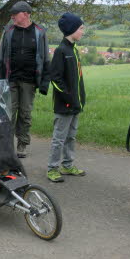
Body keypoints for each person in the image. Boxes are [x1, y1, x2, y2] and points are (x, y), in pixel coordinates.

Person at [0, 1, 50, 158]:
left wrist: (45, 83)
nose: (11, 16)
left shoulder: (40, 32)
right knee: (8, 112)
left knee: (25, 114)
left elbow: (46, 58)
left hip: (29, 81)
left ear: (26, 14)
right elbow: (0, 57)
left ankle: (22, 144)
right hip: (10, 79)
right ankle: (7, 145)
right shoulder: (9, 31)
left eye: (14, 13)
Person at [46, 12, 87, 183]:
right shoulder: (61, 51)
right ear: (72, 29)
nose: (83, 31)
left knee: (71, 137)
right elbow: (55, 79)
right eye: (81, 28)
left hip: (76, 105)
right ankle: (52, 169)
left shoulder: (74, 50)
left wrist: (80, 99)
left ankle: (68, 165)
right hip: (65, 106)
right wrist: (69, 98)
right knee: (59, 138)